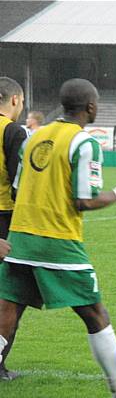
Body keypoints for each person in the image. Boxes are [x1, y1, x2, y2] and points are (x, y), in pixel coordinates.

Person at [0, 78, 116, 397]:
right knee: (95, 314)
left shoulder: (33, 137)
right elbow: (84, 200)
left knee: (6, 315)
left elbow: (18, 188)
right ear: (91, 107)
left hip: (20, 239)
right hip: (57, 242)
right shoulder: (84, 143)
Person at [0, 76, 28, 381]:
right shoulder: (12, 131)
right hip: (5, 220)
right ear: (16, 100)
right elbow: (20, 184)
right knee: (10, 298)